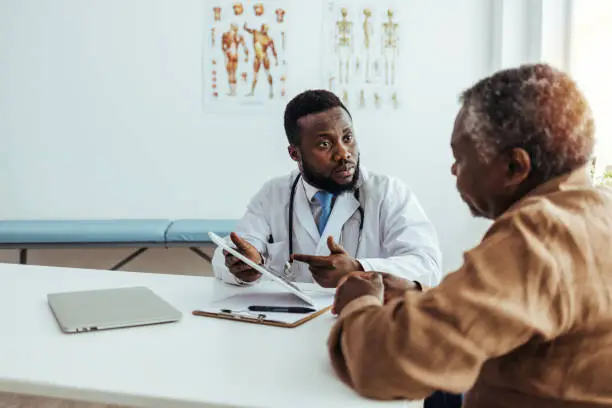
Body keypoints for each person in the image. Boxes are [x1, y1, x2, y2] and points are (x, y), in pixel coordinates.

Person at [327, 63, 612, 408]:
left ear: (513, 167)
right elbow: (532, 307)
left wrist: (359, 302)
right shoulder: (597, 211)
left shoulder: (538, 234)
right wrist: (422, 295)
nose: (453, 170)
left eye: (460, 158)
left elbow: (384, 362)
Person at [211, 89, 442, 288]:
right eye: (324, 144)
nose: (344, 153)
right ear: (295, 153)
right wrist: (245, 266)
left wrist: (359, 268)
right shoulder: (274, 195)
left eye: (347, 137)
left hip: (363, 323)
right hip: (291, 327)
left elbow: (427, 264)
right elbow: (227, 255)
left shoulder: (389, 193)